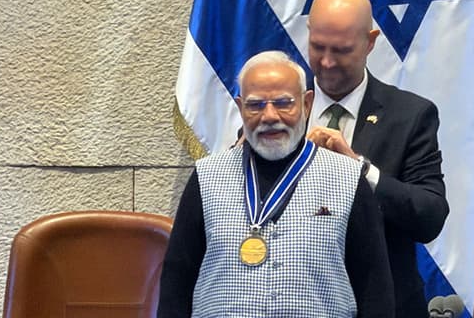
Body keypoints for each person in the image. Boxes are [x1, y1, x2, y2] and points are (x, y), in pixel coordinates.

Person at [158, 50, 393, 318]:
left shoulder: (348, 178)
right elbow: (177, 282)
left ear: (307, 104)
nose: (269, 116)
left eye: (283, 103)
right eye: (255, 105)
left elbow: (374, 289)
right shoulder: (206, 177)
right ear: (240, 108)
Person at [305, 0, 450, 318]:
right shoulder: (280, 113)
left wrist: (361, 171)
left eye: (341, 50)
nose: (326, 62)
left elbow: (430, 216)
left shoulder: (410, 115)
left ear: (370, 42)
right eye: (317, 47)